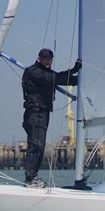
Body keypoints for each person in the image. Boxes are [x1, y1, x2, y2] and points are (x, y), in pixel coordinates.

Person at [22, 48, 82, 188]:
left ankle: (32, 178)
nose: (47, 61)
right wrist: (74, 69)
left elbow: (65, 80)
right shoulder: (33, 72)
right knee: (36, 145)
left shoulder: (48, 73)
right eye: (44, 58)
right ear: (39, 58)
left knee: (39, 146)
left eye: (49, 58)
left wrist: (83, 77)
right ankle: (30, 179)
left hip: (43, 114)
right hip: (34, 114)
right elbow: (54, 78)